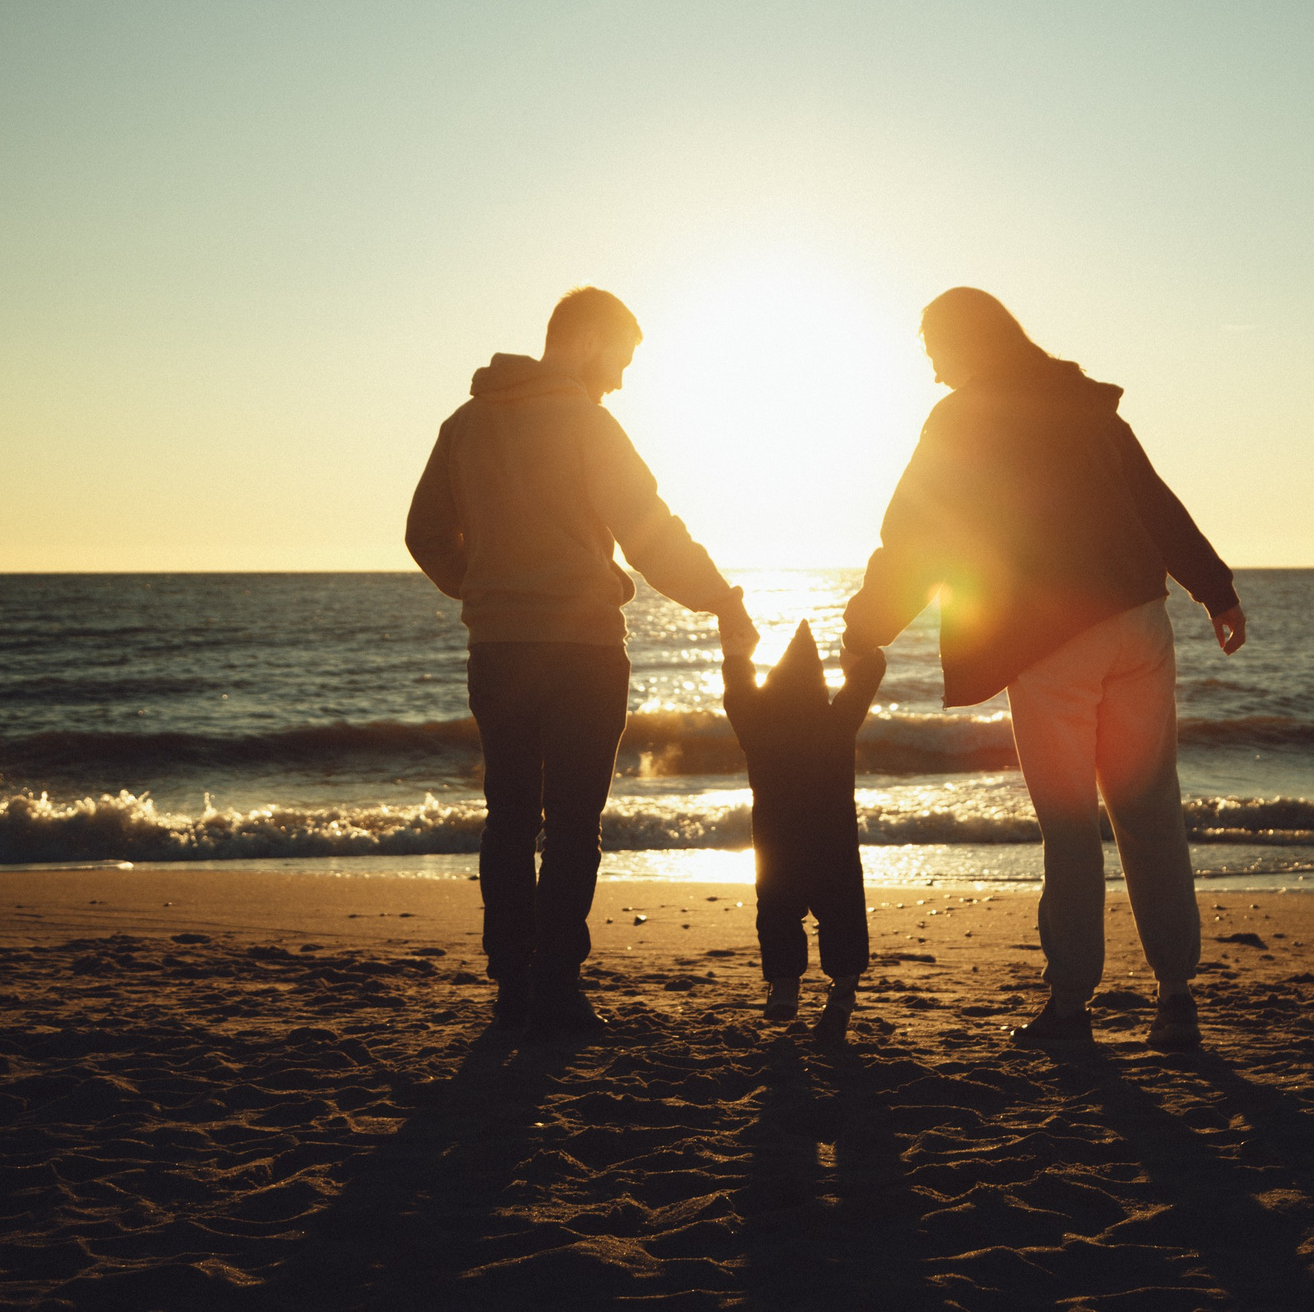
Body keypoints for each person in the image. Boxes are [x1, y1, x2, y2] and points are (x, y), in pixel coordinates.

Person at [841, 288, 1245, 1051]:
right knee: (1149, 805)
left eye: (933, 347)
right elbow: (1155, 503)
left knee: (1067, 821)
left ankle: (1069, 1006)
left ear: (964, 341)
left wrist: (866, 625)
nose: (930, 367)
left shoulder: (963, 418)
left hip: (1052, 637)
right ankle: (1177, 996)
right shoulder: (1082, 404)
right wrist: (1215, 590)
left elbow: (916, 537)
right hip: (1137, 621)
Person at [406, 286, 759, 1038]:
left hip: (497, 649)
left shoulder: (464, 424)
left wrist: (483, 589)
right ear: (591, 340)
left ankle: (510, 981)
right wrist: (722, 600)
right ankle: (557, 985)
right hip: (583, 651)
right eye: (622, 358)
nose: (623, 378)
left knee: (508, 815)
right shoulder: (590, 424)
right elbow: (651, 533)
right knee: (572, 823)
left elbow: (424, 532)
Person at [722, 620, 882, 1023]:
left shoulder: (757, 725)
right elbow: (867, 679)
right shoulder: (836, 721)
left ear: (772, 686)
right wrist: (860, 653)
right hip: (834, 840)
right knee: (842, 911)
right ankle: (843, 992)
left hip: (778, 843)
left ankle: (784, 987)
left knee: (777, 910)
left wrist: (738, 655)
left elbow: (738, 693)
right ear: (818, 689)